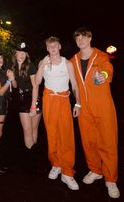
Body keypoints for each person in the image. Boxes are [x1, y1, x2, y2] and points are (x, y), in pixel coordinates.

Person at [71, 27, 120, 199]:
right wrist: (77, 103)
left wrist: (104, 75)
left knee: (107, 142)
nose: (81, 41)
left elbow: (108, 69)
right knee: (88, 141)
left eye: (84, 37)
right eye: (78, 39)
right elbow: (76, 85)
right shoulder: (74, 60)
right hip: (84, 108)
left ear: (90, 38)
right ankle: (95, 170)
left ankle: (111, 179)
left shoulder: (101, 56)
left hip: (103, 106)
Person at [35, 36, 80, 190]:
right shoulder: (43, 62)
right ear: (47, 48)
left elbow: (74, 84)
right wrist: (42, 66)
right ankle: (56, 164)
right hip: (49, 99)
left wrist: (78, 102)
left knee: (65, 134)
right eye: (50, 46)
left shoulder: (67, 63)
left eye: (55, 45)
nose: (53, 48)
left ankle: (67, 171)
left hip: (63, 99)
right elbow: (37, 82)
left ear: (60, 46)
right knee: (52, 133)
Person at [11, 42, 42, 173]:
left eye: (23, 52)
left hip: (33, 99)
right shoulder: (12, 67)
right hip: (22, 100)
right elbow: (15, 86)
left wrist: (33, 106)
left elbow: (35, 86)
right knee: (28, 131)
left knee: (33, 130)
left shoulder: (30, 66)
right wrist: (12, 79)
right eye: (19, 52)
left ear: (26, 54)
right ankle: (32, 161)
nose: (21, 55)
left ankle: (31, 161)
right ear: (15, 53)